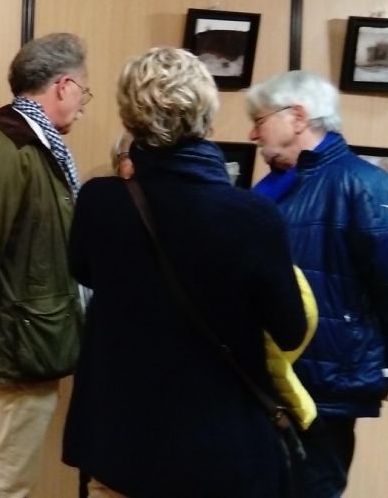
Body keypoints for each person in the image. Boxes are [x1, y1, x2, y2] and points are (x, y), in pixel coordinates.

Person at [62, 47, 308, 498]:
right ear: (207, 114)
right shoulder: (253, 217)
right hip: (223, 452)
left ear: (129, 115)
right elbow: (290, 330)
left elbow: (83, 269)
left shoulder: (100, 201)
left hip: (123, 446)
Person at [0, 32, 90, 498]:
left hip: (32, 340)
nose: (83, 106)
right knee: (4, 484)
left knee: (9, 480)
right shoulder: (10, 147)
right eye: (84, 92)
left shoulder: (37, 145)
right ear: (64, 85)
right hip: (20, 345)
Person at [247, 70, 388, 498]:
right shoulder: (272, 189)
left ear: (297, 117)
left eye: (259, 121)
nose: (252, 134)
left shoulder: (367, 187)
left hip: (325, 394)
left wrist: (385, 371)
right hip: (265, 387)